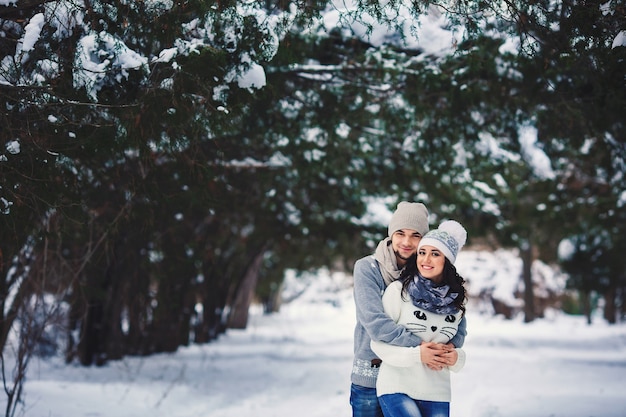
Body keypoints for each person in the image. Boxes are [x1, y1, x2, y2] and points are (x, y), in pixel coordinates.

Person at [351, 203, 467, 417]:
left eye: (415, 236)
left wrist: (448, 349)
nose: (406, 242)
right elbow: (376, 323)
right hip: (372, 372)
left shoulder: (426, 268)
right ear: (391, 234)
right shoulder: (368, 268)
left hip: (414, 376)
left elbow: (455, 319)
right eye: (400, 233)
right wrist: (423, 347)